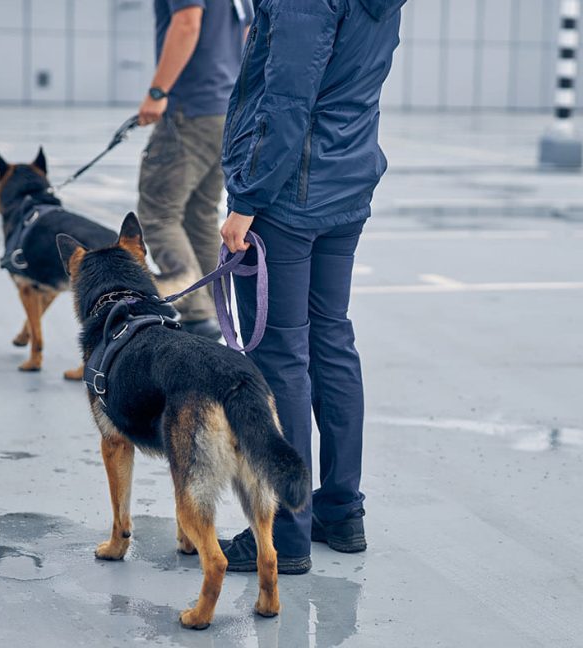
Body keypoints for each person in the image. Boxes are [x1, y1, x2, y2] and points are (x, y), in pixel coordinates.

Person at [217, 0, 407, 575]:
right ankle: (341, 512)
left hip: (290, 194)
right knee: (331, 340)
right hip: (346, 183)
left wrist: (246, 199)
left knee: (280, 359)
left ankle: (287, 529)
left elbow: (288, 100)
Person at [136, 0, 253, 339]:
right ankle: (214, 312)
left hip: (191, 109)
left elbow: (187, 22)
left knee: (159, 214)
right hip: (226, 112)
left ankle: (196, 314)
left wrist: (158, 91)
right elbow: (249, 36)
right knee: (199, 216)